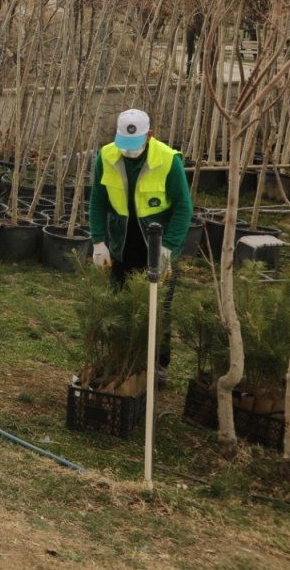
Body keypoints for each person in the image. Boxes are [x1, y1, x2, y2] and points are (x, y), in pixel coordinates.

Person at [88, 108, 193, 384]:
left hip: (157, 246)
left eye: (134, 147)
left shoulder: (168, 161)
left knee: (159, 309)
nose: (129, 152)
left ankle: (158, 364)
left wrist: (169, 249)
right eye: (125, 146)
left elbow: (183, 208)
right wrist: (98, 241)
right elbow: (97, 200)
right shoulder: (106, 156)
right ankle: (121, 357)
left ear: (150, 135)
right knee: (119, 302)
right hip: (121, 245)